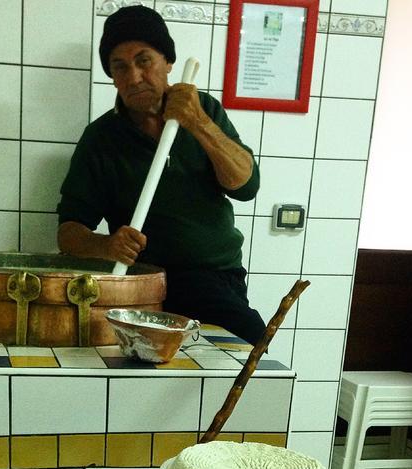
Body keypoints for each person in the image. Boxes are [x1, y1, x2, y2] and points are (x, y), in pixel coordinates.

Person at [56, 5, 266, 344]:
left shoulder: (205, 110)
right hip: (139, 284)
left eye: (144, 61)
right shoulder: (101, 138)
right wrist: (107, 245)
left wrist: (197, 122)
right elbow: (68, 233)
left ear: (168, 62)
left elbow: (246, 185)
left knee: (252, 345)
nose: (134, 77)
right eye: (119, 67)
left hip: (212, 280)